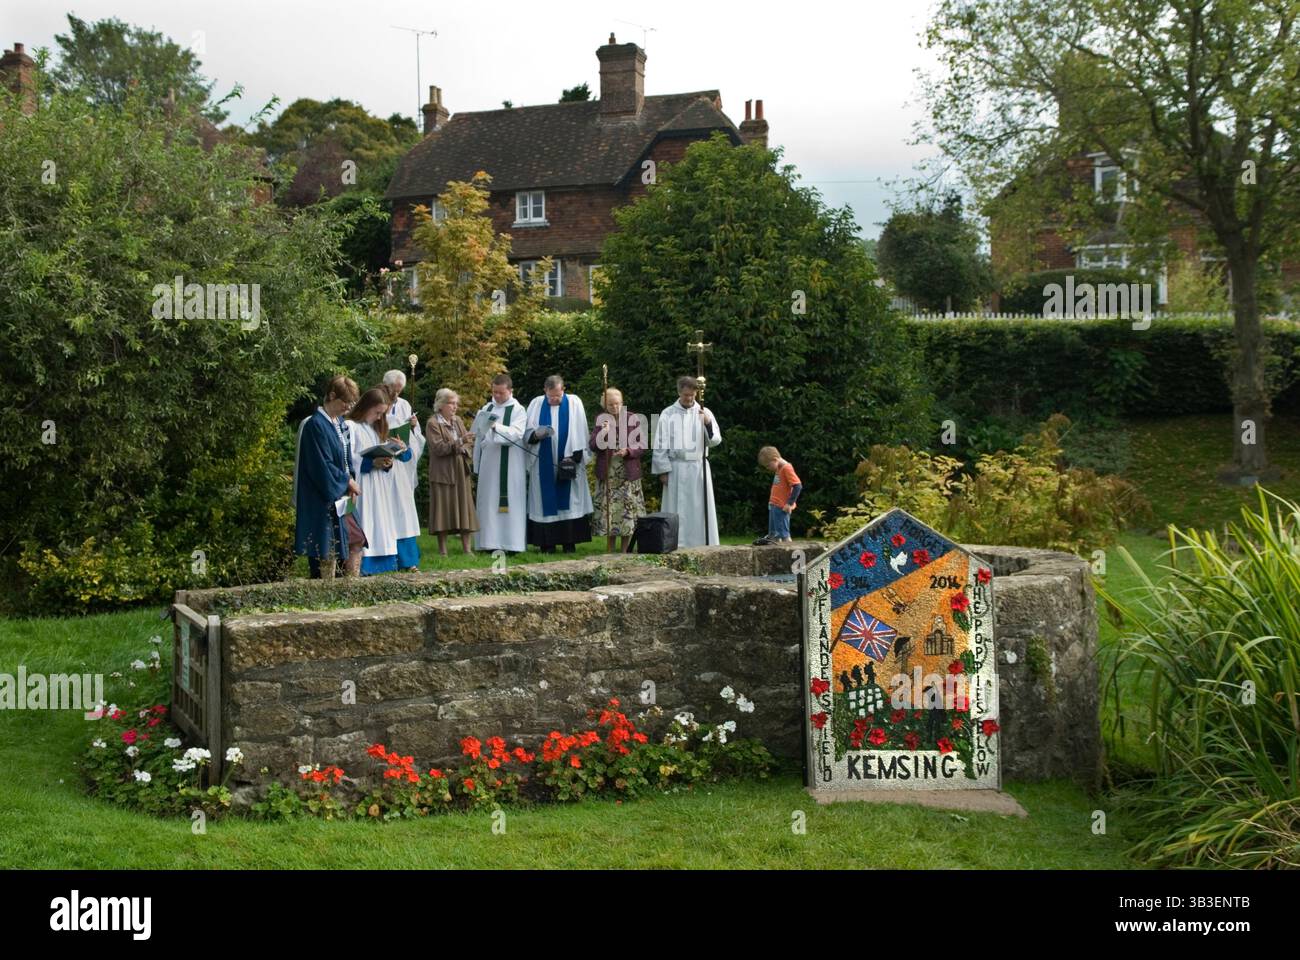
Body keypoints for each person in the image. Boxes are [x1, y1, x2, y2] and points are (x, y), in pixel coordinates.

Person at [293, 375, 360, 579]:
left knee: (356, 540)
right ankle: (325, 593)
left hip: (342, 495)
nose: (349, 407)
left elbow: (345, 458)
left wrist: (350, 481)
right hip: (323, 496)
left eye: (352, 402)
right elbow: (322, 465)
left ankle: (352, 589)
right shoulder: (315, 425)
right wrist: (347, 481)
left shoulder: (339, 423)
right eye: (346, 402)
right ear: (332, 396)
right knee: (326, 548)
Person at [347, 387, 412, 575]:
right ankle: (362, 565)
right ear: (366, 407)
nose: (378, 417)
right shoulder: (352, 427)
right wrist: (370, 462)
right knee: (367, 521)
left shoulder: (375, 430)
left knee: (380, 522)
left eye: (381, 414)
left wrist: (387, 460)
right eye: (376, 412)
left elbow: (377, 451)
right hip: (363, 484)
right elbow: (349, 457)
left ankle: (382, 563)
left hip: (378, 485)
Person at [525, 375, 593, 553]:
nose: (556, 399)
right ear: (545, 390)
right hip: (542, 462)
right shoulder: (536, 404)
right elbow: (527, 432)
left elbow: (581, 428)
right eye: (552, 396)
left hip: (567, 460)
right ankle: (547, 544)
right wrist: (536, 435)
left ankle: (568, 542)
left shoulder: (573, 402)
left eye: (559, 395)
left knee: (569, 501)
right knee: (543, 499)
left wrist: (576, 455)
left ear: (563, 389)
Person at [651, 375, 721, 548]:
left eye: (692, 395)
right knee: (676, 509)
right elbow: (660, 443)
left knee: (699, 509)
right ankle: (675, 543)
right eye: (685, 395)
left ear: (696, 393)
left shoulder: (705, 412)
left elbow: (715, 440)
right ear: (679, 392)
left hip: (698, 467)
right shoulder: (668, 413)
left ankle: (702, 543)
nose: (689, 398)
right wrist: (662, 470)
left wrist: (707, 423)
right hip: (676, 468)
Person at [470, 373, 529, 553]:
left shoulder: (518, 410)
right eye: (494, 392)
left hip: (511, 464)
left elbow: (516, 434)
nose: (496, 396)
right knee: (488, 501)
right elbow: (477, 434)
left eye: (500, 393)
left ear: (510, 391)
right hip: (490, 463)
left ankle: (512, 544)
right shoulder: (486, 408)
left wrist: (496, 427)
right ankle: (488, 543)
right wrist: (477, 461)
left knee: (512, 500)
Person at [589, 386, 647, 553]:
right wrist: (604, 432)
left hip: (627, 474)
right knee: (611, 512)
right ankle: (610, 549)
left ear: (622, 403)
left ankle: (625, 550)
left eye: (618, 403)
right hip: (608, 473)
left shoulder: (632, 418)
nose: (615, 407)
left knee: (626, 511)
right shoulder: (601, 420)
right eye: (611, 404)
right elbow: (593, 446)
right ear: (604, 405)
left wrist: (628, 451)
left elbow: (642, 446)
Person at [426, 387, 478, 556]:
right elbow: (438, 448)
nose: (454, 407)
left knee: (464, 508)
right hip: (442, 472)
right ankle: (442, 550)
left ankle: (467, 549)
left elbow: (468, 443)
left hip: (460, 470)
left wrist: (466, 445)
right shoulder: (433, 423)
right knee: (443, 509)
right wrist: (460, 442)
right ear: (441, 405)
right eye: (451, 403)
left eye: (456, 403)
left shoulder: (458, 421)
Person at [382, 370, 424, 571]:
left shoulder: (405, 405)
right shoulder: (376, 403)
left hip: (401, 469)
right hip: (381, 467)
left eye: (400, 391)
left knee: (404, 513)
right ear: (385, 386)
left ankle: (408, 560)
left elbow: (415, 440)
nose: (396, 395)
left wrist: (414, 428)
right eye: (393, 390)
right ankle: (386, 560)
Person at [754, 445, 802, 545]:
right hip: (774, 505)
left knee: (784, 535)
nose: (768, 468)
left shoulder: (786, 468)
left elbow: (797, 486)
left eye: (768, 465)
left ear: (775, 459)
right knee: (774, 535)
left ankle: (788, 553)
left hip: (781, 507)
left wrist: (789, 504)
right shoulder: (779, 468)